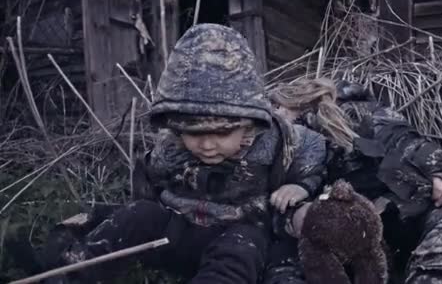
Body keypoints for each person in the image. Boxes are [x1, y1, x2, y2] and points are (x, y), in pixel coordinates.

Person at [33, 24, 327, 284]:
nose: (208, 145)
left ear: (250, 124)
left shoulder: (276, 141)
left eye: (223, 133)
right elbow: (148, 185)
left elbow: (313, 150)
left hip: (240, 231)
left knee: (238, 253)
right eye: (194, 133)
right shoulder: (169, 148)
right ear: (176, 126)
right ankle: (70, 271)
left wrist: (301, 186)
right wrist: (135, 213)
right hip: (178, 228)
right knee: (137, 215)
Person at [263, 78, 442, 284]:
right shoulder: (272, 146)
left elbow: (404, 139)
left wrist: (440, 169)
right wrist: (295, 215)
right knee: (285, 263)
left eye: (277, 106)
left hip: (399, 211)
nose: (274, 115)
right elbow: (264, 206)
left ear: (295, 98)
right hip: (339, 239)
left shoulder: (357, 114)